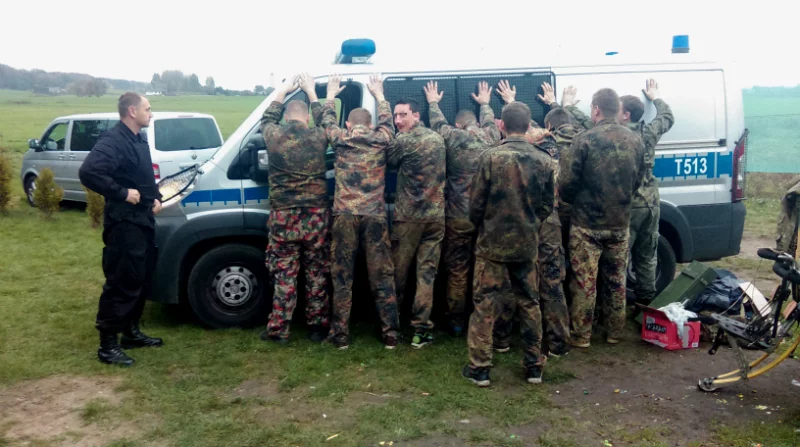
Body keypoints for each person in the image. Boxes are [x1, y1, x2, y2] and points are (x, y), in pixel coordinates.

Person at [556, 80, 674, 307]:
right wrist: (656, 98)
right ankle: (645, 303)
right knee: (648, 254)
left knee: (616, 262)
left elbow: (589, 123)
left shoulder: (617, 136)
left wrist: (567, 106)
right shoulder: (647, 132)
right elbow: (667, 117)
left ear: (626, 115)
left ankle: (604, 307)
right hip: (651, 202)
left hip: (627, 203)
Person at [462, 101, 555, 387]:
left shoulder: (490, 157)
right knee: (529, 303)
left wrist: (484, 224)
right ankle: (534, 367)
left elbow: (475, 204)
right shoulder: (544, 160)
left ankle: (480, 368)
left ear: (501, 125)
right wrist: (530, 223)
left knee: (484, 303)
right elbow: (547, 205)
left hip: (491, 243)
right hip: (526, 243)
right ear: (528, 126)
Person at [313, 73, 401, 350]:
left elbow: (326, 120)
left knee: (342, 276)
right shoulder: (381, 138)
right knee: (382, 274)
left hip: (345, 215)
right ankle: (390, 333)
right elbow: (388, 123)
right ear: (370, 124)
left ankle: (340, 335)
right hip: (374, 215)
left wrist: (330, 95)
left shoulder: (340, 138)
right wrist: (380, 95)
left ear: (349, 124)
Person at [79, 92, 164, 367]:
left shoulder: (139, 138)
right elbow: (89, 172)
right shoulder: (113, 140)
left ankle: (131, 332)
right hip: (123, 225)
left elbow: (143, 176)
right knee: (122, 281)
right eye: (147, 109)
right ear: (132, 111)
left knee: (141, 278)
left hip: (143, 221)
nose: (151, 113)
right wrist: (122, 193)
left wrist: (155, 198)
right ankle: (107, 346)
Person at [558, 88, 645, 348]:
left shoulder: (584, 139)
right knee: (617, 279)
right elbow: (638, 180)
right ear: (617, 110)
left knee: (584, 281)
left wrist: (574, 201)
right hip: (619, 222)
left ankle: (582, 335)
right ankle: (614, 332)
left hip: (587, 224)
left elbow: (567, 182)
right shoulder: (635, 140)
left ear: (596, 109)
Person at [490, 82, 572, 357]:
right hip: (548, 220)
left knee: (510, 280)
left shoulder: (510, 150)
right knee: (552, 281)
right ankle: (558, 342)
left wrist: (509, 103)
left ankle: (502, 339)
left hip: (519, 221)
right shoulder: (554, 145)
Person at [422, 80, 500, 336]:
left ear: (458, 124)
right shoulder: (491, 135)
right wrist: (485, 104)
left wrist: (433, 102)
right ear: (476, 122)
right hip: (487, 217)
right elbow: (490, 123)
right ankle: (485, 316)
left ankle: (456, 321)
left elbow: (437, 125)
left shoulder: (453, 136)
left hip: (458, 215)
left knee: (458, 268)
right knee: (486, 268)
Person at [259, 74, 331, 345]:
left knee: (284, 274)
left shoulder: (274, 135)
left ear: (286, 117)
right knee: (316, 271)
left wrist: (282, 90)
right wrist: (312, 92)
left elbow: (267, 118)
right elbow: (328, 121)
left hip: (284, 216)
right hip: (316, 216)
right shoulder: (318, 135)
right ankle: (317, 327)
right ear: (307, 117)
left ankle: (279, 330)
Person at [388, 98, 446, 349]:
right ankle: (421, 329)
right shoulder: (438, 139)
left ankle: (391, 326)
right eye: (395, 115)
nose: (398, 120)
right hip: (435, 217)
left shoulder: (402, 141)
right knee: (426, 275)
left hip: (408, 219)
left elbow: (388, 160)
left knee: (397, 273)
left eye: (403, 115)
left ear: (416, 116)